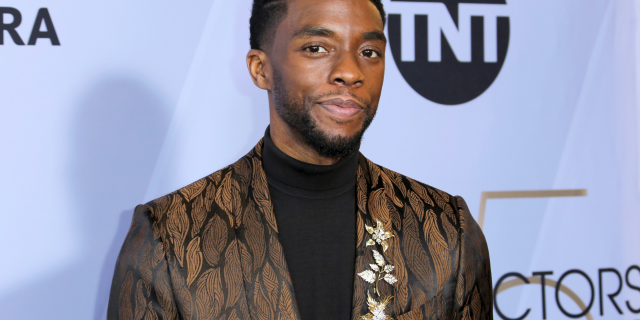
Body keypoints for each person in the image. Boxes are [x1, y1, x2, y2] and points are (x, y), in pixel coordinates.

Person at [107, 0, 493, 319]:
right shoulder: (168, 234)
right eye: (317, 48)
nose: (349, 72)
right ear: (261, 69)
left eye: (369, 52)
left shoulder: (447, 228)